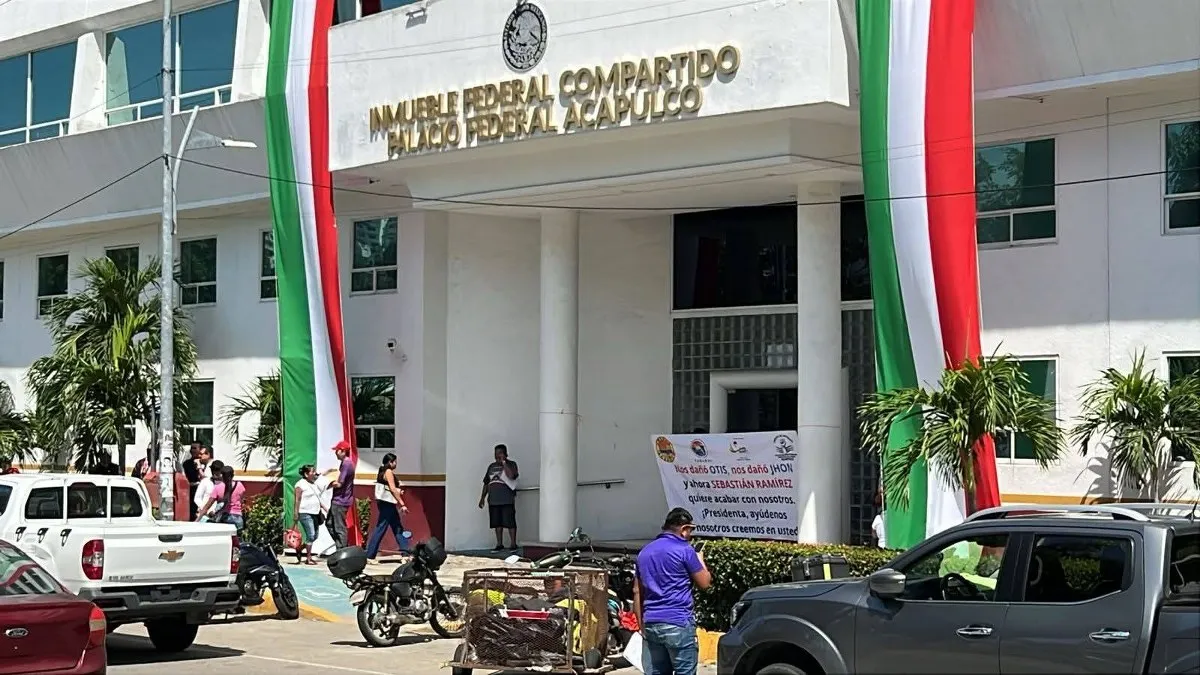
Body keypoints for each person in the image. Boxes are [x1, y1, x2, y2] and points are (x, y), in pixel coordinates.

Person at [634, 507, 712, 675]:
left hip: (651, 624)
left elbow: (637, 592)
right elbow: (705, 583)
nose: (690, 536)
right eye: (690, 530)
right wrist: (700, 559)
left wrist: (642, 626)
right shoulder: (685, 550)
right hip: (678, 622)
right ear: (684, 529)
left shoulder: (644, 552)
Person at [366, 452, 411, 560]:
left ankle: (406, 552)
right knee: (381, 528)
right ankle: (370, 554)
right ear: (390, 462)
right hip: (388, 504)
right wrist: (402, 503)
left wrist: (398, 491)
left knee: (397, 527)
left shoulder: (382, 471)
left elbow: (387, 488)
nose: (396, 464)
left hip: (385, 502)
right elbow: (392, 489)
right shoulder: (388, 472)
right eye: (395, 462)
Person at [292, 465, 325, 565]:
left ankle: (300, 548)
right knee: (310, 535)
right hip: (305, 512)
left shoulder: (314, 484)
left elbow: (317, 498)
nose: (314, 473)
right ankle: (308, 558)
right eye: (312, 471)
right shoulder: (300, 484)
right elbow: (297, 499)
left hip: (316, 512)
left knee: (315, 536)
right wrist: (296, 513)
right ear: (306, 474)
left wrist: (325, 508)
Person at [325, 440, 356, 550]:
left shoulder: (347, 464)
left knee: (339, 527)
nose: (335, 453)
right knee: (329, 523)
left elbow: (339, 484)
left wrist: (325, 483)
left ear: (343, 451)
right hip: (338, 499)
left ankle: (342, 549)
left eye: (337, 450)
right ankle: (340, 546)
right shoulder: (345, 463)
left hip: (341, 500)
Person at [204, 464, 246, 533]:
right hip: (238, 518)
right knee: (237, 538)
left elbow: (207, 506)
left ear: (222, 476)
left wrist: (197, 519)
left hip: (225, 518)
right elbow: (242, 501)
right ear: (233, 475)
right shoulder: (240, 485)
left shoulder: (218, 487)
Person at [182, 444, 209, 521]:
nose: (192, 450)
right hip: (192, 492)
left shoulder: (209, 465)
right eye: (191, 448)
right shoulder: (187, 464)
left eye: (194, 448)